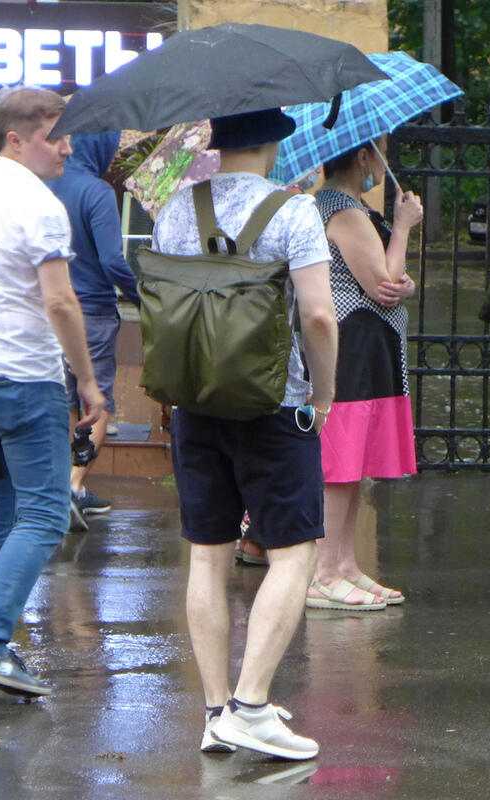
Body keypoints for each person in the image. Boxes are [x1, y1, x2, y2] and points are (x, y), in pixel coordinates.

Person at [151, 107, 338, 760]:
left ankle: (216, 710)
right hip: (273, 405)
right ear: (274, 143)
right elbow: (318, 316)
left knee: (209, 553)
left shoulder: (174, 208)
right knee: (293, 553)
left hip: (195, 402)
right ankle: (252, 707)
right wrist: (323, 393)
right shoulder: (294, 212)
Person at [0, 86, 105, 697]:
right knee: (43, 514)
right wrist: (87, 382)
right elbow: (60, 301)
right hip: (23, 377)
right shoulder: (38, 204)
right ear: (16, 139)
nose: (67, 149)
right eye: (54, 137)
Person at [306, 136, 420, 611]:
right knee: (340, 465)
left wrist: (402, 282)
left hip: (364, 347)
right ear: (362, 156)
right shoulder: (344, 210)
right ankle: (323, 574)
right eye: (381, 151)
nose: (383, 162)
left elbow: (389, 279)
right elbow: (383, 284)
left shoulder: (341, 206)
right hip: (352, 348)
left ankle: (345, 564)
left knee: (352, 465)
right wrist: (404, 225)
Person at [46, 131, 142, 530]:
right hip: (92, 315)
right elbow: (112, 261)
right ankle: (72, 485)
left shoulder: (44, 185)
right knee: (97, 404)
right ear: (100, 147)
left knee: (66, 403)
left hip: (48, 312)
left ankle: (66, 488)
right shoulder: (97, 192)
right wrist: (141, 297)